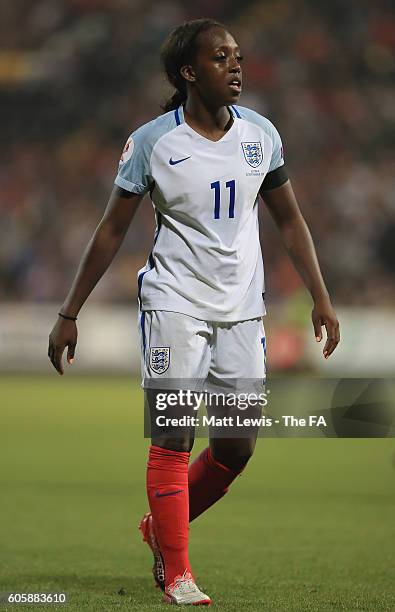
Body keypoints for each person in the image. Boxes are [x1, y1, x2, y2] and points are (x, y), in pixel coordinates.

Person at [48, 18, 340, 606]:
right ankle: (178, 573)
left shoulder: (262, 135)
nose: (236, 66)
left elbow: (288, 219)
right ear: (188, 72)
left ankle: (159, 531)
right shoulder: (153, 141)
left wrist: (320, 295)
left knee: (236, 447)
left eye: (237, 56)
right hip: (174, 303)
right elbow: (111, 230)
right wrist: (69, 310)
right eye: (219, 58)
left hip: (242, 310)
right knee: (173, 436)